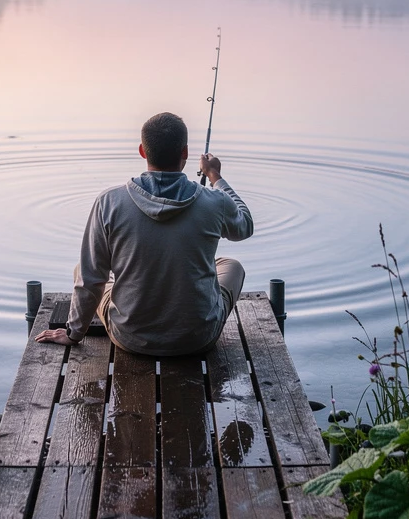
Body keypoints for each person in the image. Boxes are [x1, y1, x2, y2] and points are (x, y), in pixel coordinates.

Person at [35, 111, 254, 356]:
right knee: (232, 266)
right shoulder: (215, 202)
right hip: (198, 338)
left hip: (130, 338)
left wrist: (74, 333)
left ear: (142, 150)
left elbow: (90, 280)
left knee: (83, 269)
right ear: (185, 153)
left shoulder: (110, 201)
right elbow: (245, 225)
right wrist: (215, 176)